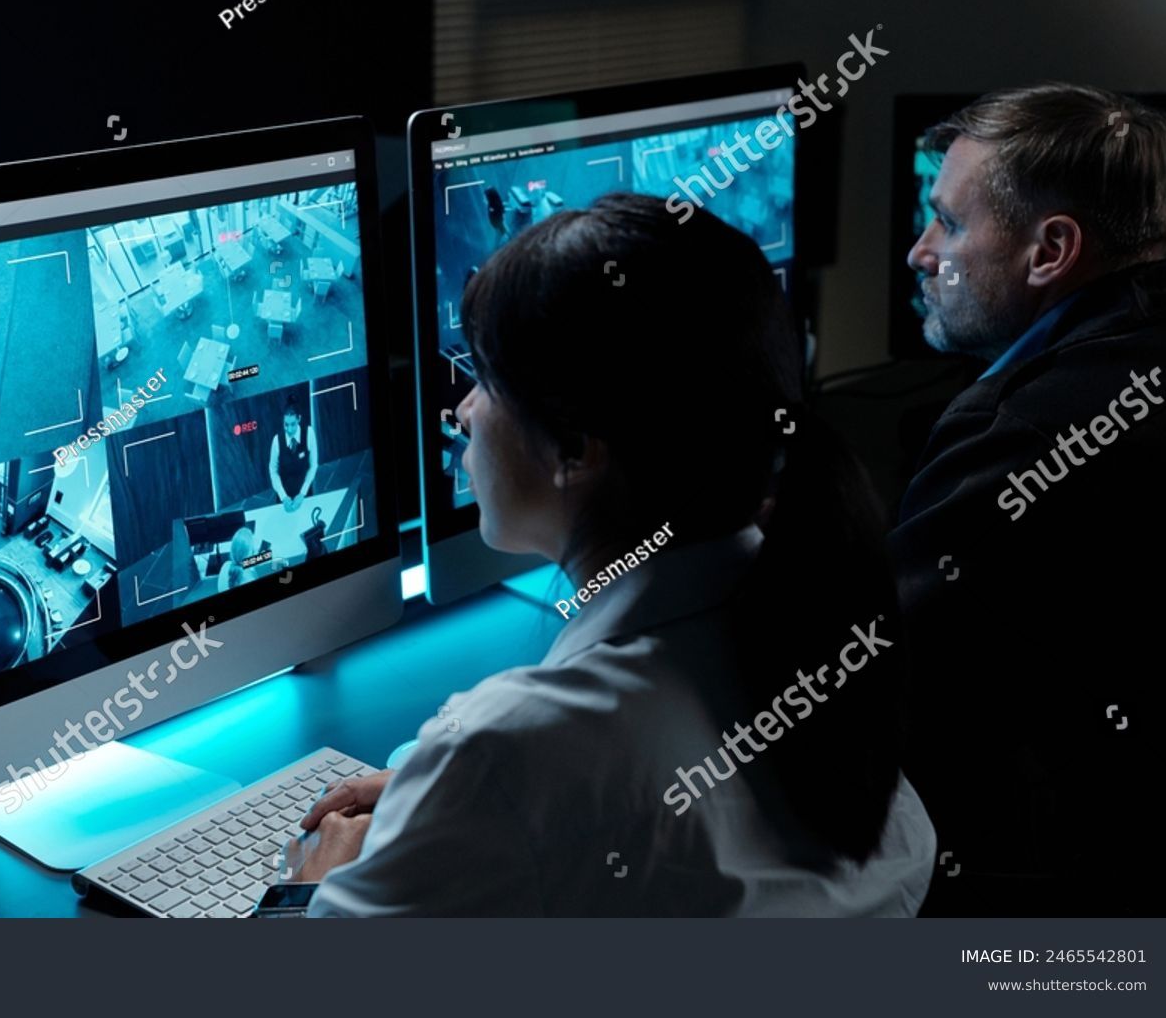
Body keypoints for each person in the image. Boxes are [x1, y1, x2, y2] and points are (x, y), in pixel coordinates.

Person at [287, 193, 936, 916]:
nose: (465, 409)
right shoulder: (815, 609)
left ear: (573, 448)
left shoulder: (511, 749)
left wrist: (314, 883)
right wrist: (434, 787)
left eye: (488, 381)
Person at [891, 83, 1166, 915]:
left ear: (1050, 251)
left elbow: (877, 676)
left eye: (949, 223)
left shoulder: (1022, 433)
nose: (921, 252)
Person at [268, 397, 317, 513]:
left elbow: (313, 465)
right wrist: (283, 496)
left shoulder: (309, 433)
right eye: (286, 424)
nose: (289, 429)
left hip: (304, 493)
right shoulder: (276, 440)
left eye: (293, 424)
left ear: (299, 419)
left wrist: (302, 493)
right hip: (284, 495)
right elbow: (273, 470)